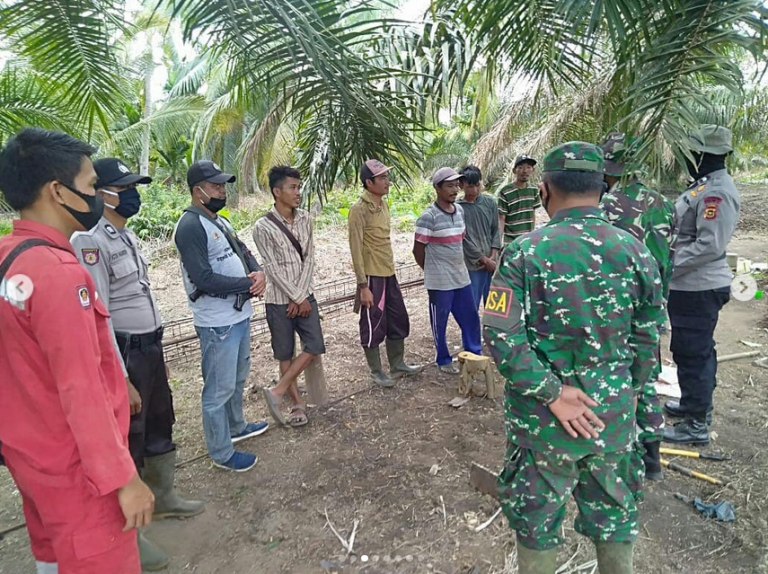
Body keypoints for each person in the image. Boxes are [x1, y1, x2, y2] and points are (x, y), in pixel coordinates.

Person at [483, 142, 664, 574]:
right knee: (616, 520)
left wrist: (551, 392)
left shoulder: (524, 252)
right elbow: (647, 342)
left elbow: (499, 331)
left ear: (544, 189)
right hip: (612, 417)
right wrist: (635, 400)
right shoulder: (635, 251)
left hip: (542, 425)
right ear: (602, 187)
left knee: (537, 524)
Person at [0, 128, 155, 574]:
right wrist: (123, 479)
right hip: (80, 473)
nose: (95, 197)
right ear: (57, 192)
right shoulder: (57, 273)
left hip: (33, 460)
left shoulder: (11, 259)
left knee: (52, 559)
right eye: (89, 187)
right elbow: (80, 386)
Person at [71, 158, 205, 570]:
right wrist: (121, 377)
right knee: (129, 435)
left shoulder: (126, 237)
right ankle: (132, 532)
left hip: (149, 347)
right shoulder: (91, 242)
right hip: (125, 353)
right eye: (124, 187)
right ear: (101, 193)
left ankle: (163, 498)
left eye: (135, 186)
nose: (133, 194)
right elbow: (102, 313)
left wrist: (156, 355)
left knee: (161, 421)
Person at [174, 160, 269, 473]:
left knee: (237, 378)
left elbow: (242, 250)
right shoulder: (190, 226)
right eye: (215, 186)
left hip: (237, 315)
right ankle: (220, 450)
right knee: (217, 389)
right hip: (217, 322)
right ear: (197, 190)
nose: (221, 191)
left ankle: (236, 425)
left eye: (222, 185)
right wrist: (246, 283)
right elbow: (202, 278)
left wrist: (256, 272)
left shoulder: (218, 220)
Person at [599, 133, 676, 481]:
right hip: (654, 303)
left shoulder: (608, 206)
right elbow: (670, 260)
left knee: (622, 378)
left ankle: (623, 450)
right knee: (647, 374)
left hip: (619, 306)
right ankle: (654, 454)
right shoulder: (664, 203)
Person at [663, 125, 740, 446]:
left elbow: (709, 245)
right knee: (688, 350)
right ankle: (692, 406)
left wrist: (666, 266)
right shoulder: (702, 187)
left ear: (704, 155)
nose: (686, 159)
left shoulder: (715, 193)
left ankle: (696, 424)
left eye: (691, 153)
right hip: (688, 286)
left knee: (694, 352)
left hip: (698, 286)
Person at [253, 166, 325, 427]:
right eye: (292, 187)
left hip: (304, 296)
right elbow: (270, 267)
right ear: (277, 191)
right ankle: (297, 405)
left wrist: (301, 296)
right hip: (278, 300)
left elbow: (310, 258)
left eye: (299, 187)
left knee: (315, 344)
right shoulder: (262, 227)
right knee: (284, 353)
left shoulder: (305, 218)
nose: (298, 192)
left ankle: (278, 390)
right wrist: (295, 297)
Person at [348, 159, 421, 387]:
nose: (386, 181)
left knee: (398, 317)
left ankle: (397, 364)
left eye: (386, 177)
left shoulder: (384, 205)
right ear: (369, 183)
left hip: (389, 273)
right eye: (381, 178)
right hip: (372, 276)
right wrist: (363, 286)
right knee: (372, 323)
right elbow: (355, 249)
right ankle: (376, 370)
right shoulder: (359, 210)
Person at [413, 167, 482, 374]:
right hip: (439, 282)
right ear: (437, 188)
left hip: (461, 276)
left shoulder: (459, 211)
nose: (455, 190)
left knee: (470, 317)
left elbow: (459, 241)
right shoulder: (428, 217)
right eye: (449, 186)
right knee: (440, 322)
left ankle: (474, 355)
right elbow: (418, 249)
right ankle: (443, 359)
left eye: (456, 185)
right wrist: (432, 270)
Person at [458, 165, 502, 309]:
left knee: (494, 302)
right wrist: (482, 258)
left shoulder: (489, 202)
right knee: (472, 302)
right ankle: (473, 331)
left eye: (477, 185)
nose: (475, 190)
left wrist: (493, 255)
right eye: (470, 186)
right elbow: (463, 238)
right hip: (472, 263)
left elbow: (496, 230)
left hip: (492, 260)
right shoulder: (458, 208)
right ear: (461, 185)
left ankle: (493, 330)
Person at [497, 154, 540, 244]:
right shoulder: (505, 192)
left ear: (533, 170)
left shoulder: (534, 190)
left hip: (528, 241)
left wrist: (533, 234)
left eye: (528, 167)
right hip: (511, 242)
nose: (525, 171)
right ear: (514, 171)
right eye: (520, 167)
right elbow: (501, 219)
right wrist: (497, 243)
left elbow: (532, 213)